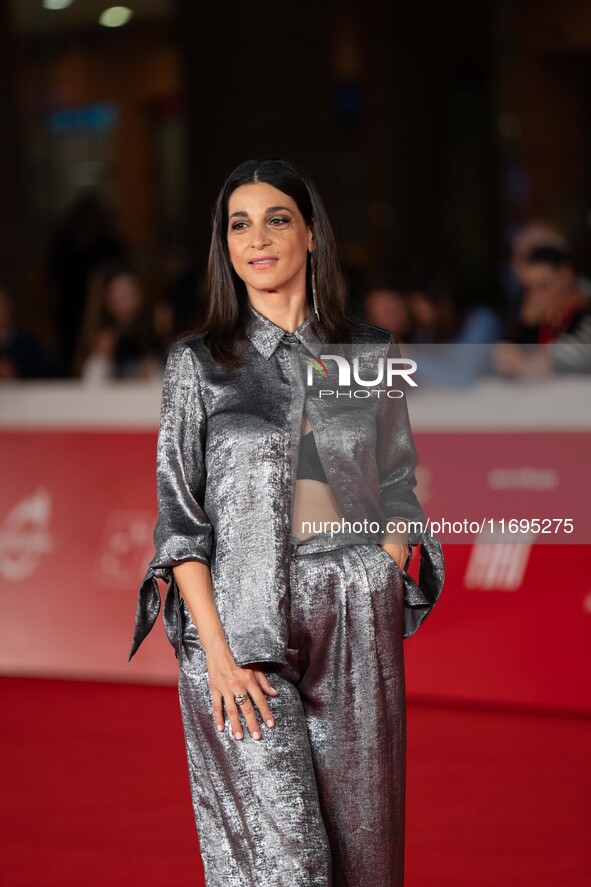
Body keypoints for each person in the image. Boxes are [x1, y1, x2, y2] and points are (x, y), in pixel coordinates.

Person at [128, 158, 444, 886]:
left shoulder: (367, 351)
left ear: (309, 234)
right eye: (238, 223)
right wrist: (214, 651)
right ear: (225, 246)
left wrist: (386, 566)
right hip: (239, 623)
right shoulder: (198, 363)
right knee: (287, 864)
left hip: (354, 606)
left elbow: (397, 479)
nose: (256, 237)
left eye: (276, 218)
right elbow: (180, 519)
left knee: (364, 860)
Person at [494, 245, 591, 378]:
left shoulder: (584, 315)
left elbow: (561, 361)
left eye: (543, 286)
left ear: (565, 276)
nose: (535, 297)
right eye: (529, 289)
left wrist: (526, 362)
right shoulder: (538, 320)